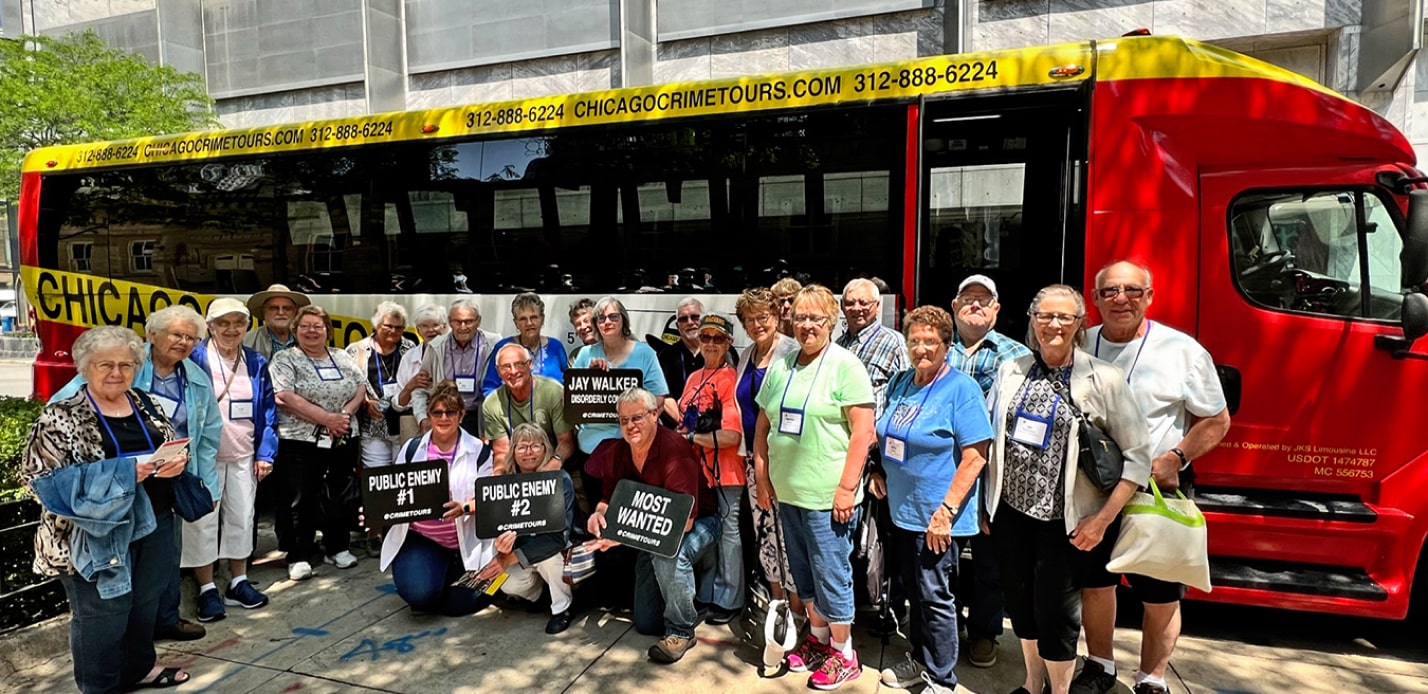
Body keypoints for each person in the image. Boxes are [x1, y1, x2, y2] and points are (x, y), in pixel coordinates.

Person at [985, 284, 1151, 694]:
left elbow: (1138, 457)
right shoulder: (1013, 370)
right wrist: (983, 507)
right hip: (1011, 514)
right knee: (1021, 608)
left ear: (1079, 323)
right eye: (1044, 316)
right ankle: (1032, 681)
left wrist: (1102, 520)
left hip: (1067, 523)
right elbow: (990, 441)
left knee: (1056, 614)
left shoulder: (1103, 377)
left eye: (1064, 317)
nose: (1053, 325)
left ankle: (1059, 691)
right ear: (1033, 321)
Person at [1075, 262, 1232, 694]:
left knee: (1159, 591)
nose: (1120, 299)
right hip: (1093, 488)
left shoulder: (1181, 350)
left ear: (1149, 297)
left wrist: (1176, 458)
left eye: (1131, 290)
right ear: (1095, 297)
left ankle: (1152, 678)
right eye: (1109, 291)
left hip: (1157, 487)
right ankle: (1101, 667)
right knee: (1096, 582)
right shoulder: (1080, 343)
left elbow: (1217, 420)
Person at [24, 326, 193, 692]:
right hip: (92, 532)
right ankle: (100, 686)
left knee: (145, 603)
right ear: (85, 367)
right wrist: (123, 473)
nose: (117, 373)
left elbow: (169, 443)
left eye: (126, 365)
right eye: (106, 365)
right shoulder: (60, 416)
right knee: (102, 614)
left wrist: (176, 461)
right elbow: (41, 481)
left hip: (155, 520)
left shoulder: (144, 402)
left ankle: (139, 668)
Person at [51, 306, 224, 643]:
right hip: (120, 484)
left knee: (165, 557)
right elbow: (63, 404)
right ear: (153, 334)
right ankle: (128, 633)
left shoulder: (196, 377)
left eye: (191, 337)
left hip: (168, 481)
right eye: (177, 334)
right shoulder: (124, 364)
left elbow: (208, 437)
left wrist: (208, 484)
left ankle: (165, 619)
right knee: (127, 558)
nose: (184, 342)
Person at [753, 284, 876, 690]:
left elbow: (863, 433)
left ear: (832, 321)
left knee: (831, 575)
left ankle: (845, 654)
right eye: (801, 317)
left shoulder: (846, 365)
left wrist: (846, 489)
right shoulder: (783, 365)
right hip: (788, 495)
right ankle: (818, 641)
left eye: (816, 318)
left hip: (827, 499)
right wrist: (763, 478)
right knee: (802, 574)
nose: (807, 325)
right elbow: (763, 427)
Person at [870, 306, 993, 694]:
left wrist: (946, 512)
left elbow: (976, 455)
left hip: (936, 515)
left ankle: (942, 678)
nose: (921, 349)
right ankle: (922, 661)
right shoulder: (902, 382)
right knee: (915, 592)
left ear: (946, 345)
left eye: (930, 342)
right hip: (902, 512)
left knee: (935, 596)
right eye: (914, 341)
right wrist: (877, 469)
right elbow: (886, 433)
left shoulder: (962, 389)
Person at [586, 388, 720, 665]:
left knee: (668, 554)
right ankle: (681, 602)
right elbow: (606, 500)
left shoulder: (674, 449)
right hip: (650, 532)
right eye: (623, 420)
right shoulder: (618, 451)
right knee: (646, 624)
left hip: (702, 523)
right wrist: (597, 516)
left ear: (655, 414)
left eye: (637, 418)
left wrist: (622, 537)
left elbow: (684, 522)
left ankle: (681, 631)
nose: (630, 426)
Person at [946, 274, 1031, 668]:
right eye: (968, 298)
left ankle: (984, 632)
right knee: (940, 557)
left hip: (993, 474)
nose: (975, 305)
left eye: (985, 300)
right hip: (941, 472)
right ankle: (946, 630)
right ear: (954, 306)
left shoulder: (1018, 357)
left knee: (989, 561)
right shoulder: (936, 349)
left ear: (997, 310)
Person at [183, 298, 278, 623]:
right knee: (202, 522)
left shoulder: (255, 361)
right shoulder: (193, 358)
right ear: (209, 326)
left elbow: (267, 410)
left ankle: (238, 581)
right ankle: (207, 587)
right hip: (202, 457)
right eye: (223, 323)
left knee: (242, 516)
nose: (231, 329)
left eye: (238, 323)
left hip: (243, 454)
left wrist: (265, 453)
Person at [379, 381, 498, 616]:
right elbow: (394, 492)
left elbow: (489, 500)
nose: (444, 418)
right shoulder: (412, 449)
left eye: (450, 412)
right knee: (419, 596)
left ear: (461, 415)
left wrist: (465, 507)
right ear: (430, 415)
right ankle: (433, 578)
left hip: (465, 540)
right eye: (437, 412)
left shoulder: (480, 451)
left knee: (458, 606)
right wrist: (376, 511)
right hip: (424, 539)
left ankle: (468, 579)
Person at [269, 305, 369, 580]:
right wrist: (326, 418)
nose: (312, 331)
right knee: (301, 497)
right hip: (301, 439)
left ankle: (337, 546)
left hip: (343, 435)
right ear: (295, 330)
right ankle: (299, 554)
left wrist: (344, 415)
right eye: (305, 326)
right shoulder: (285, 358)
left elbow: (360, 386)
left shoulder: (340, 356)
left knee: (339, 491)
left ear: (328, 330)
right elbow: (285, 396)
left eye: (318, 326)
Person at [732, 288, 801, 615]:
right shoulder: (745, 355)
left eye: (763, 317)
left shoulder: (792, 353)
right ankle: (779, 608)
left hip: (785, 462)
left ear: (776, 317)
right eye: (750, 319)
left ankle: (800, 610)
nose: (757, 324)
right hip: (752, 460)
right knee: (766, 538)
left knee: (789, 539)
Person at [676, 314, 746, 626]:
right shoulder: (693, 377)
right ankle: (707, 593)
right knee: (705, 534)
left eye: (718, 338)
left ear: (729, 342)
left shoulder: (730, 378)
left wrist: (692, 437)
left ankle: (729, 598)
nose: (711, 344)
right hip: (697, 473)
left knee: (728, 534)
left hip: (726, 472)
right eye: (706, 338)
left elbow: (732, 436)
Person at [570, 296, 670, 508]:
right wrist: (590, 378)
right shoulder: (585, 355)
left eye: (613, 316)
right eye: (601, 318)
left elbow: (659, 400)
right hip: (591, 449)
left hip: (633, 448)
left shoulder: (645, 353)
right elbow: (572, 402)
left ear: (623, 320)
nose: (607, 322)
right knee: (598, 516)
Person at [492, 423, 576, 634]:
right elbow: (497, 526)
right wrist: (502, 545)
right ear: (513, 452)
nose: (528, 452)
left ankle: (562, 608)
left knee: (552, 559)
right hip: (523, 553)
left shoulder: (560, 480)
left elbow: (558, 538)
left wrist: (511, 558)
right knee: (507, 584)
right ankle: (538, 595)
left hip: (555, 550)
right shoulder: (505, 484)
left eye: (535, 446)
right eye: (521, 447)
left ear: (546, 448)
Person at [412, 299, 500, 437]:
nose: (463, 327)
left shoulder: (494, 344)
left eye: (469, 321)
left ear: (478, 321)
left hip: (481, 420)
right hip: (446, 419)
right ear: (449, 321)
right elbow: (420, 389)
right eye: (457, 322)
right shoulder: (436, 347)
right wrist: (422, 418)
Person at [346, 301, 415, 471]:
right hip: (373, 427)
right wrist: (364, 403)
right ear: (376, 325)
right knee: (377, 479)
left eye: (399, 328)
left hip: (404, 425)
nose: (394, 331)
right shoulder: (357, 350)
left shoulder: (410, 349)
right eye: (388, 326)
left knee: (405, 477)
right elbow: (346, 388)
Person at [481, 342, 575, 465]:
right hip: (516, 467)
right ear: (498, 372)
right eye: (506, 367)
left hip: (552, 463)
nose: (513, 371)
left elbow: (565, 442)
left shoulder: (553, 391)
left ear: (530, 364)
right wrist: (498, 476)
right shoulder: (492, 403)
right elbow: (502, 451)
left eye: (519, 364)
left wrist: (551, 467)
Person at [837, 278, 910, 417]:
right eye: (850, 303)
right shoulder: (838, 345)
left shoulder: (895, 343)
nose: (857, 308)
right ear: (842, 306)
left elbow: (906, 395)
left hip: (875, 434)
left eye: (864, 303)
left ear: (877, 306)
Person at [659, 297, 735, 412]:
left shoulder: (726, 351)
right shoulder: (666, 356)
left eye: (695, 317)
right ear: (677, 326)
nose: (690, 322)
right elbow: (664, 396)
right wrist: (685, 423)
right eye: (683, 319)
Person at [482, 292, 568, 394]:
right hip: (511, 409)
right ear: (516, 323)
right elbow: (489, 387)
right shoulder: (503, 348)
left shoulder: (556, 347)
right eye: (523, 319)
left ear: (542, 319)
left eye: (534, 317)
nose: (529, 323)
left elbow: (569, 383)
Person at [393, 304, 445, 440]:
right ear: (418, 330)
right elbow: (398, 405)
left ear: (444, 327)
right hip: (415, 422)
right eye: (424, 326)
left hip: (447, 419)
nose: (431, 330)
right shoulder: (409, 357)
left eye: (435, 325)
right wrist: (411, 386)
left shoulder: (452, 355)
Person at [242, 284, 310, 360]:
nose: (281, 313)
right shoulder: (245, 341)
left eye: (287, 308)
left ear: (295, 312)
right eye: (274, 308)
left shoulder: (309, 338)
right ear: (263, 312)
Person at [566, 298, 597, 367]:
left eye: (586, 321)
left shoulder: (617, 350)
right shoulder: (575, 356)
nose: (583, 327)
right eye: (578, 324)